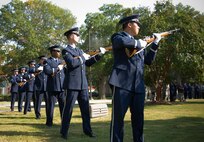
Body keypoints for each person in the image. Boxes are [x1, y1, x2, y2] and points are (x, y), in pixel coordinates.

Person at [108, 14, 162, 142]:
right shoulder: (118, 36)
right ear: (129, 24)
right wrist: (139, 43)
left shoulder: (140, 44)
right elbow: (121, 42)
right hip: (121, 84)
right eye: (137, 24)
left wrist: (155, 44)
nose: (139, 27)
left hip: (138, 86)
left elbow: (148, 61)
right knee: (118, 119)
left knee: (138, 120)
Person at [60, 27, 106, 139]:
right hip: (72, 84)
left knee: (85, 110)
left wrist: (99, 55)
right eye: (77, 35)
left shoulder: (79, 51)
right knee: (68, 109)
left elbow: (88, 63)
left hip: (83, 85)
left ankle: (88, 131)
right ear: (71, 36)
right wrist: (82, 58)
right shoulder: (66, 50)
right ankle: (64, 132)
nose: (78, 37)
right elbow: (71, 63)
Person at [44, 45, 65, 127]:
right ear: (52, 52)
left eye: (59, 51)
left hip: (62, 87)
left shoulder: (62, 61)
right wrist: (57, 68)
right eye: (57, 51)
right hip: (52, 87)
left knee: (63, 105)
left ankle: (64, 121)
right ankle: (49, 122)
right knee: (50, 106)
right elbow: (47, 71)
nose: (59, 53)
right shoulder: (47, 61)